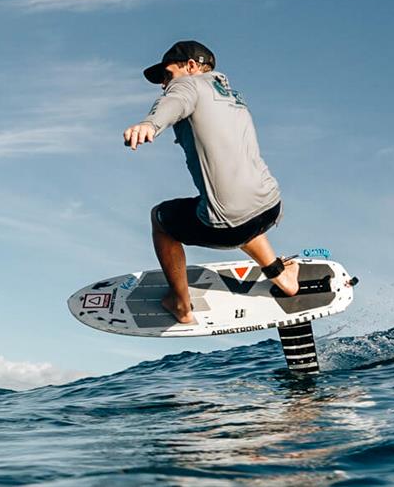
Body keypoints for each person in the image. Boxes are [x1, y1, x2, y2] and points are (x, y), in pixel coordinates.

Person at [123, 40, 299, 324]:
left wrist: (149, 124)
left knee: (161, 219)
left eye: (167, 75)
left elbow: (174, 100)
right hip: (271, 207)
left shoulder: (188, 86)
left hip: (231, 223)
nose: (164, 84)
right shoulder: (233, 97)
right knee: (231, 207)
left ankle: (180, 305)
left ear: (191, 66)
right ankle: (282, 276)